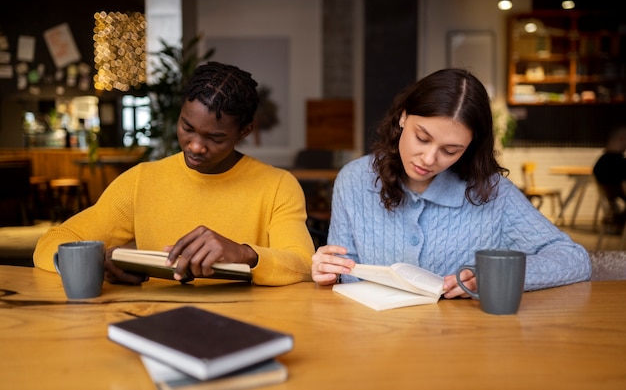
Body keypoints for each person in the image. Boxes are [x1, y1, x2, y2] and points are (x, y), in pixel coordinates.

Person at [312, 68, 591, 297]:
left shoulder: (493, 194)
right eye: (422, 137)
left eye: (450, 151)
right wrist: (328, 270)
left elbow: (573, 259)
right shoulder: (354, 180)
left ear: (469, 147)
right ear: (403, 117)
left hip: (461, 345)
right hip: (375, 341)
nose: (429, 158)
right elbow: (346, 276)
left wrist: (491, 277)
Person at [34, 61, 314, 286]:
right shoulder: (141, 181)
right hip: (154, 320)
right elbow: (52, 243)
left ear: (244, 131)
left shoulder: (278, 186)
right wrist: (97, 263)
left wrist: (244, 254)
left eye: (214, 138)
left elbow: (302, 264)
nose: (195, 146)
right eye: (187, 127)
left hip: (251, 324)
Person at [593, 126, 626, 227]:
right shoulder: (616, 164)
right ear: (622, 139)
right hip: (619, 215)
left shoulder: (602, 162)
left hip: (616, 210)